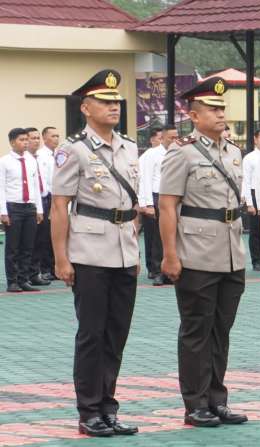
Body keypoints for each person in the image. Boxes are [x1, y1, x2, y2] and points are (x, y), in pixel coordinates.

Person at [51, 69, 140, 436]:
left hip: (124, 251)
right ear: (86, 108)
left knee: (117, 333)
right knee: (92, 334)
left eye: (116, 101)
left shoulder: (130, 146)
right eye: (104, 101)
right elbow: (60, 206)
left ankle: (109, 408)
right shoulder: (72, 149)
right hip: (89, 252)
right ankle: (89, 411)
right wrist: (61, 257)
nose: (113, 107)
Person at [159, 77, 249, 428]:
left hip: (230, 251)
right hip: (196, 251)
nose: (220, 114)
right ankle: (195, 403)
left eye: (222, 109)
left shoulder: (234, 152)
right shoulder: (181, 154)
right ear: (194, 116)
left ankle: (217, 399)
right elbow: (168, 207)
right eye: (213, 109)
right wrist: (170, 254)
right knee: (197, 329)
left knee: (221, 330)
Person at [2, 128, 44, 292]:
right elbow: (1, 188)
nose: (25, 142)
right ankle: (12, 281)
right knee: (13, 247)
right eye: (22, 140)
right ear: (12, 142)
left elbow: (35, 187)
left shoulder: (31, 161)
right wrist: (3, 212)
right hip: (13, 206)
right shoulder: (4, 161)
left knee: (28, 246)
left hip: (30, 207)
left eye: (27, 139)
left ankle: (23, 279)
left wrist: (38, 209)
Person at [26, 127, 55, 284]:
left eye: (37, 138)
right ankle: (22, 275)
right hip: (29, 202)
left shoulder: (41, 157)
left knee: (41, 239)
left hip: (45, 199)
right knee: (28, 241)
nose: (36, 141)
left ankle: (34, 273)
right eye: (32, 138)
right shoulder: (28, 159)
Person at [138, 127, 165, 281]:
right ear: (153, 140)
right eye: (160, 137)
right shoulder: (148, 155)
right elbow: (144, 180)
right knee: (153, 235)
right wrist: (146, 203)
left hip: (167, 196)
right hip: (153, 197)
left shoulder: (173, 152)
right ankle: (153, 268)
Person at [242, 128, 260, 271]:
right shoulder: (250, 158)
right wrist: (249, 203)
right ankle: (256, 260)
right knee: (256, 230)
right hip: (253, 193)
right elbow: (246, 181)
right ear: (256, 139)